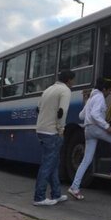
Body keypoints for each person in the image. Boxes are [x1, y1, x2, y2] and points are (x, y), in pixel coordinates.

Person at [68, 78, 111, 200]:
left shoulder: (91, 99)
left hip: (88, 130)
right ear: (103, 89)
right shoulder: (99, 97)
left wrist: (87, 108)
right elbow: (95, 115)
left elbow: (81, 115)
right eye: (109, 90)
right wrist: (107, 126)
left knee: (86, 160)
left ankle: (74, 187)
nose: (109, 93)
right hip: (96, 128)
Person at [33, 69, 75, 206]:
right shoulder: (65, 91)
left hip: (41, 129)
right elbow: (62, 112)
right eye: (73, 80)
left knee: (53, 164)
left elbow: (37, 109)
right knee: (47, 164)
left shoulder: (48, 89)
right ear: (69, 80)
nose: (74, 83)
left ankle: (56, 194)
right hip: (52, 132)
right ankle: (39, 197)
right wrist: (61, 129)